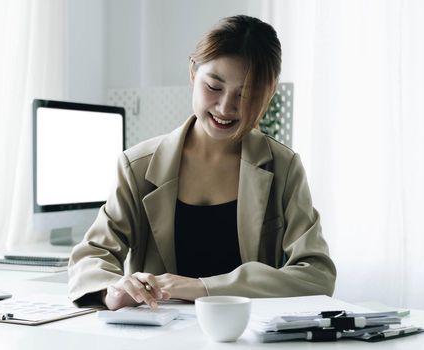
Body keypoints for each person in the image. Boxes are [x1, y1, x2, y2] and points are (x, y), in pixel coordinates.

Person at [68, 15, 336, 310]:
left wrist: (202, 287)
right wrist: (113, 290)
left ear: (269, 93)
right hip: (158, 334)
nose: (225, 108)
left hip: (245, 336)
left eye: (245, 95)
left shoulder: (283, 167)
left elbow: (317, 274)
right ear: (193, 72)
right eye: (214, 87)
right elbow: (91, 257)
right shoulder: (138, 166)